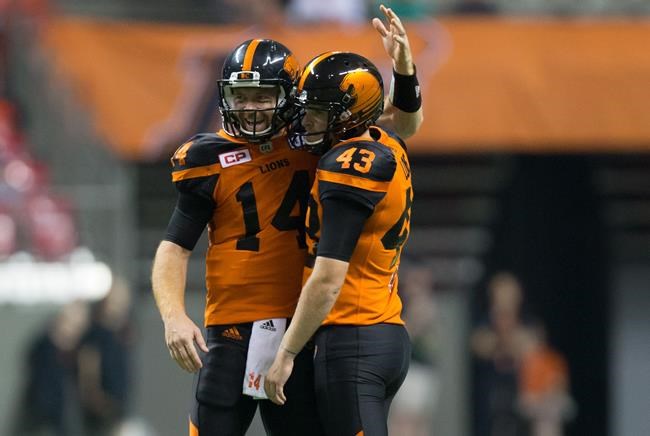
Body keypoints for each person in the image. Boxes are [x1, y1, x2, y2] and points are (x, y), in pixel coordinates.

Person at [150, 6, 423, 436]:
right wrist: (173, 316)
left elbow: (396, 123)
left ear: (290, 97)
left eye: (262, 96)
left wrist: (404, 70)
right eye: (241, 96)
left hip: (299, 329)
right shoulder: (208, 157)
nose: (250, 108)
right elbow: (174, 246)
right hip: (231, 330)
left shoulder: (317, 136)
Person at [264, 51, 415, 436]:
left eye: (318, 111)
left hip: (352, 337)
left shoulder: (349, 165)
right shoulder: (388, 143)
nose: (306, 119)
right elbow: (408, 120)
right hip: (384, 329)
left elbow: (328, 279)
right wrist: (404, 70)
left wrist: (286, 352)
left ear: (349, 116)